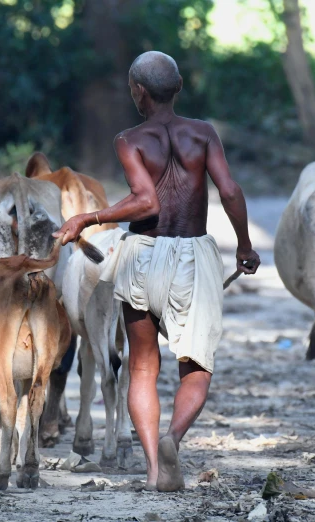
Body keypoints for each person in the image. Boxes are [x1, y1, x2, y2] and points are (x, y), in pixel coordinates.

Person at [54, 51, 260, 492]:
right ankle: (172, 439)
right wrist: (244, 245)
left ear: (137, 91)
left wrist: (87, 218)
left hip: (143, 254)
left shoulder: (129, 140)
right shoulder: (203, 134)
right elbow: (229, 189)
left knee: (143, 368)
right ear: (179, 87)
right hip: (193, 256)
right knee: (197, 368)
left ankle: (153, 471)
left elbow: (146, 202)